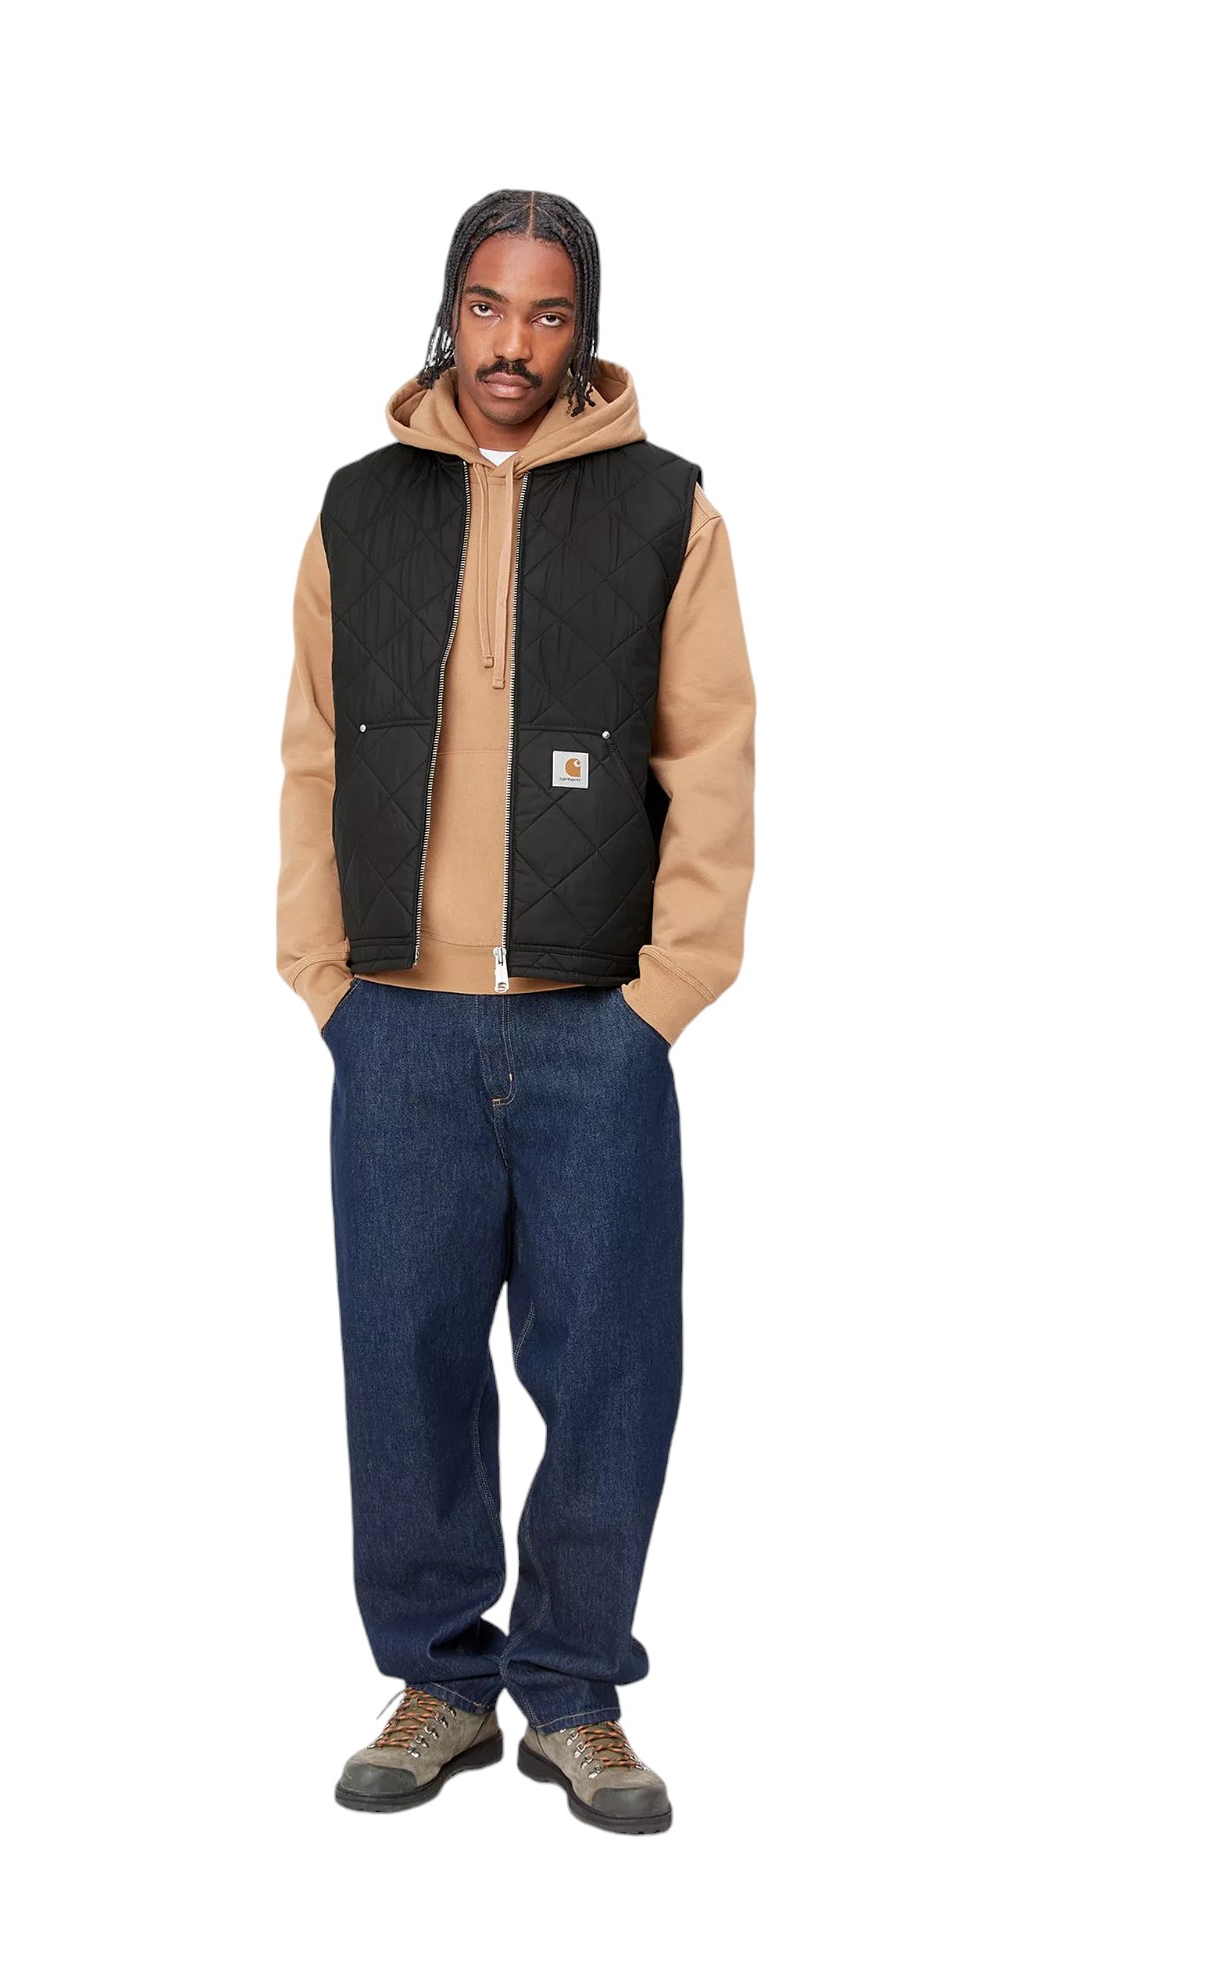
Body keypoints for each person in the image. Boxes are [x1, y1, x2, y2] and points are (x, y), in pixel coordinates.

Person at [274, 189, 756, 1835]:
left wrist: (664, 996)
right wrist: (326, 978)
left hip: (593, 1022)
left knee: (612, 1366)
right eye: (487, 307)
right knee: (402, 1361)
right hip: (396, 1020)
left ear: (583, 329)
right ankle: (438, 1681)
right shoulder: (358, 510)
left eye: (548, 315)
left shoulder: (667, 510)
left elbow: (714, 759)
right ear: (448, 311)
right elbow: (312, 751)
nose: (512, 344)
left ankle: (573, 1693)